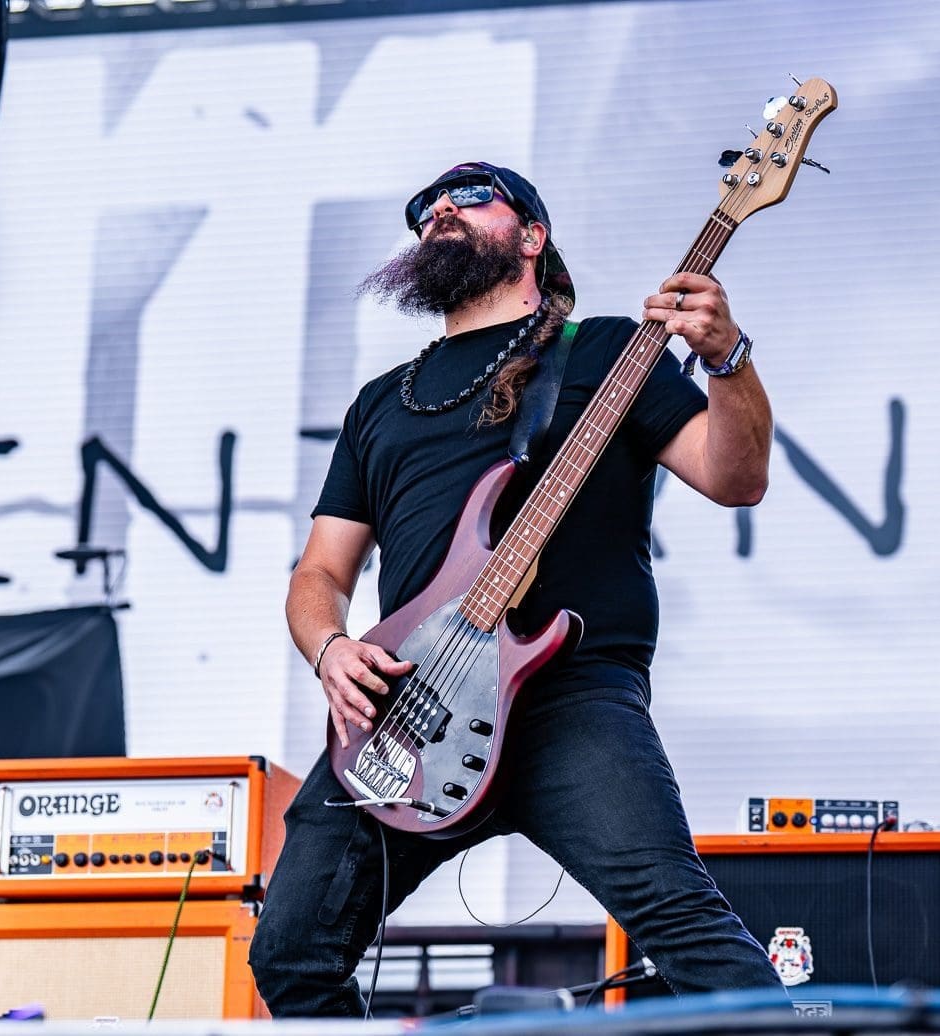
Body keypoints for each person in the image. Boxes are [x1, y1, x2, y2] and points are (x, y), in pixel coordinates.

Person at [249, 162, 783, 1016]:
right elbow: (319, 573)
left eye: (469, 199)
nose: (440, 214)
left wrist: (729, 358)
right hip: (406, 706)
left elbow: (735, 477)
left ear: (532, 237)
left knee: (693, 937)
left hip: (568, 699)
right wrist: (331, 648)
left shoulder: (611, 352)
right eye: (427, 209)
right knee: (290, 954)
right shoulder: (379, 404)